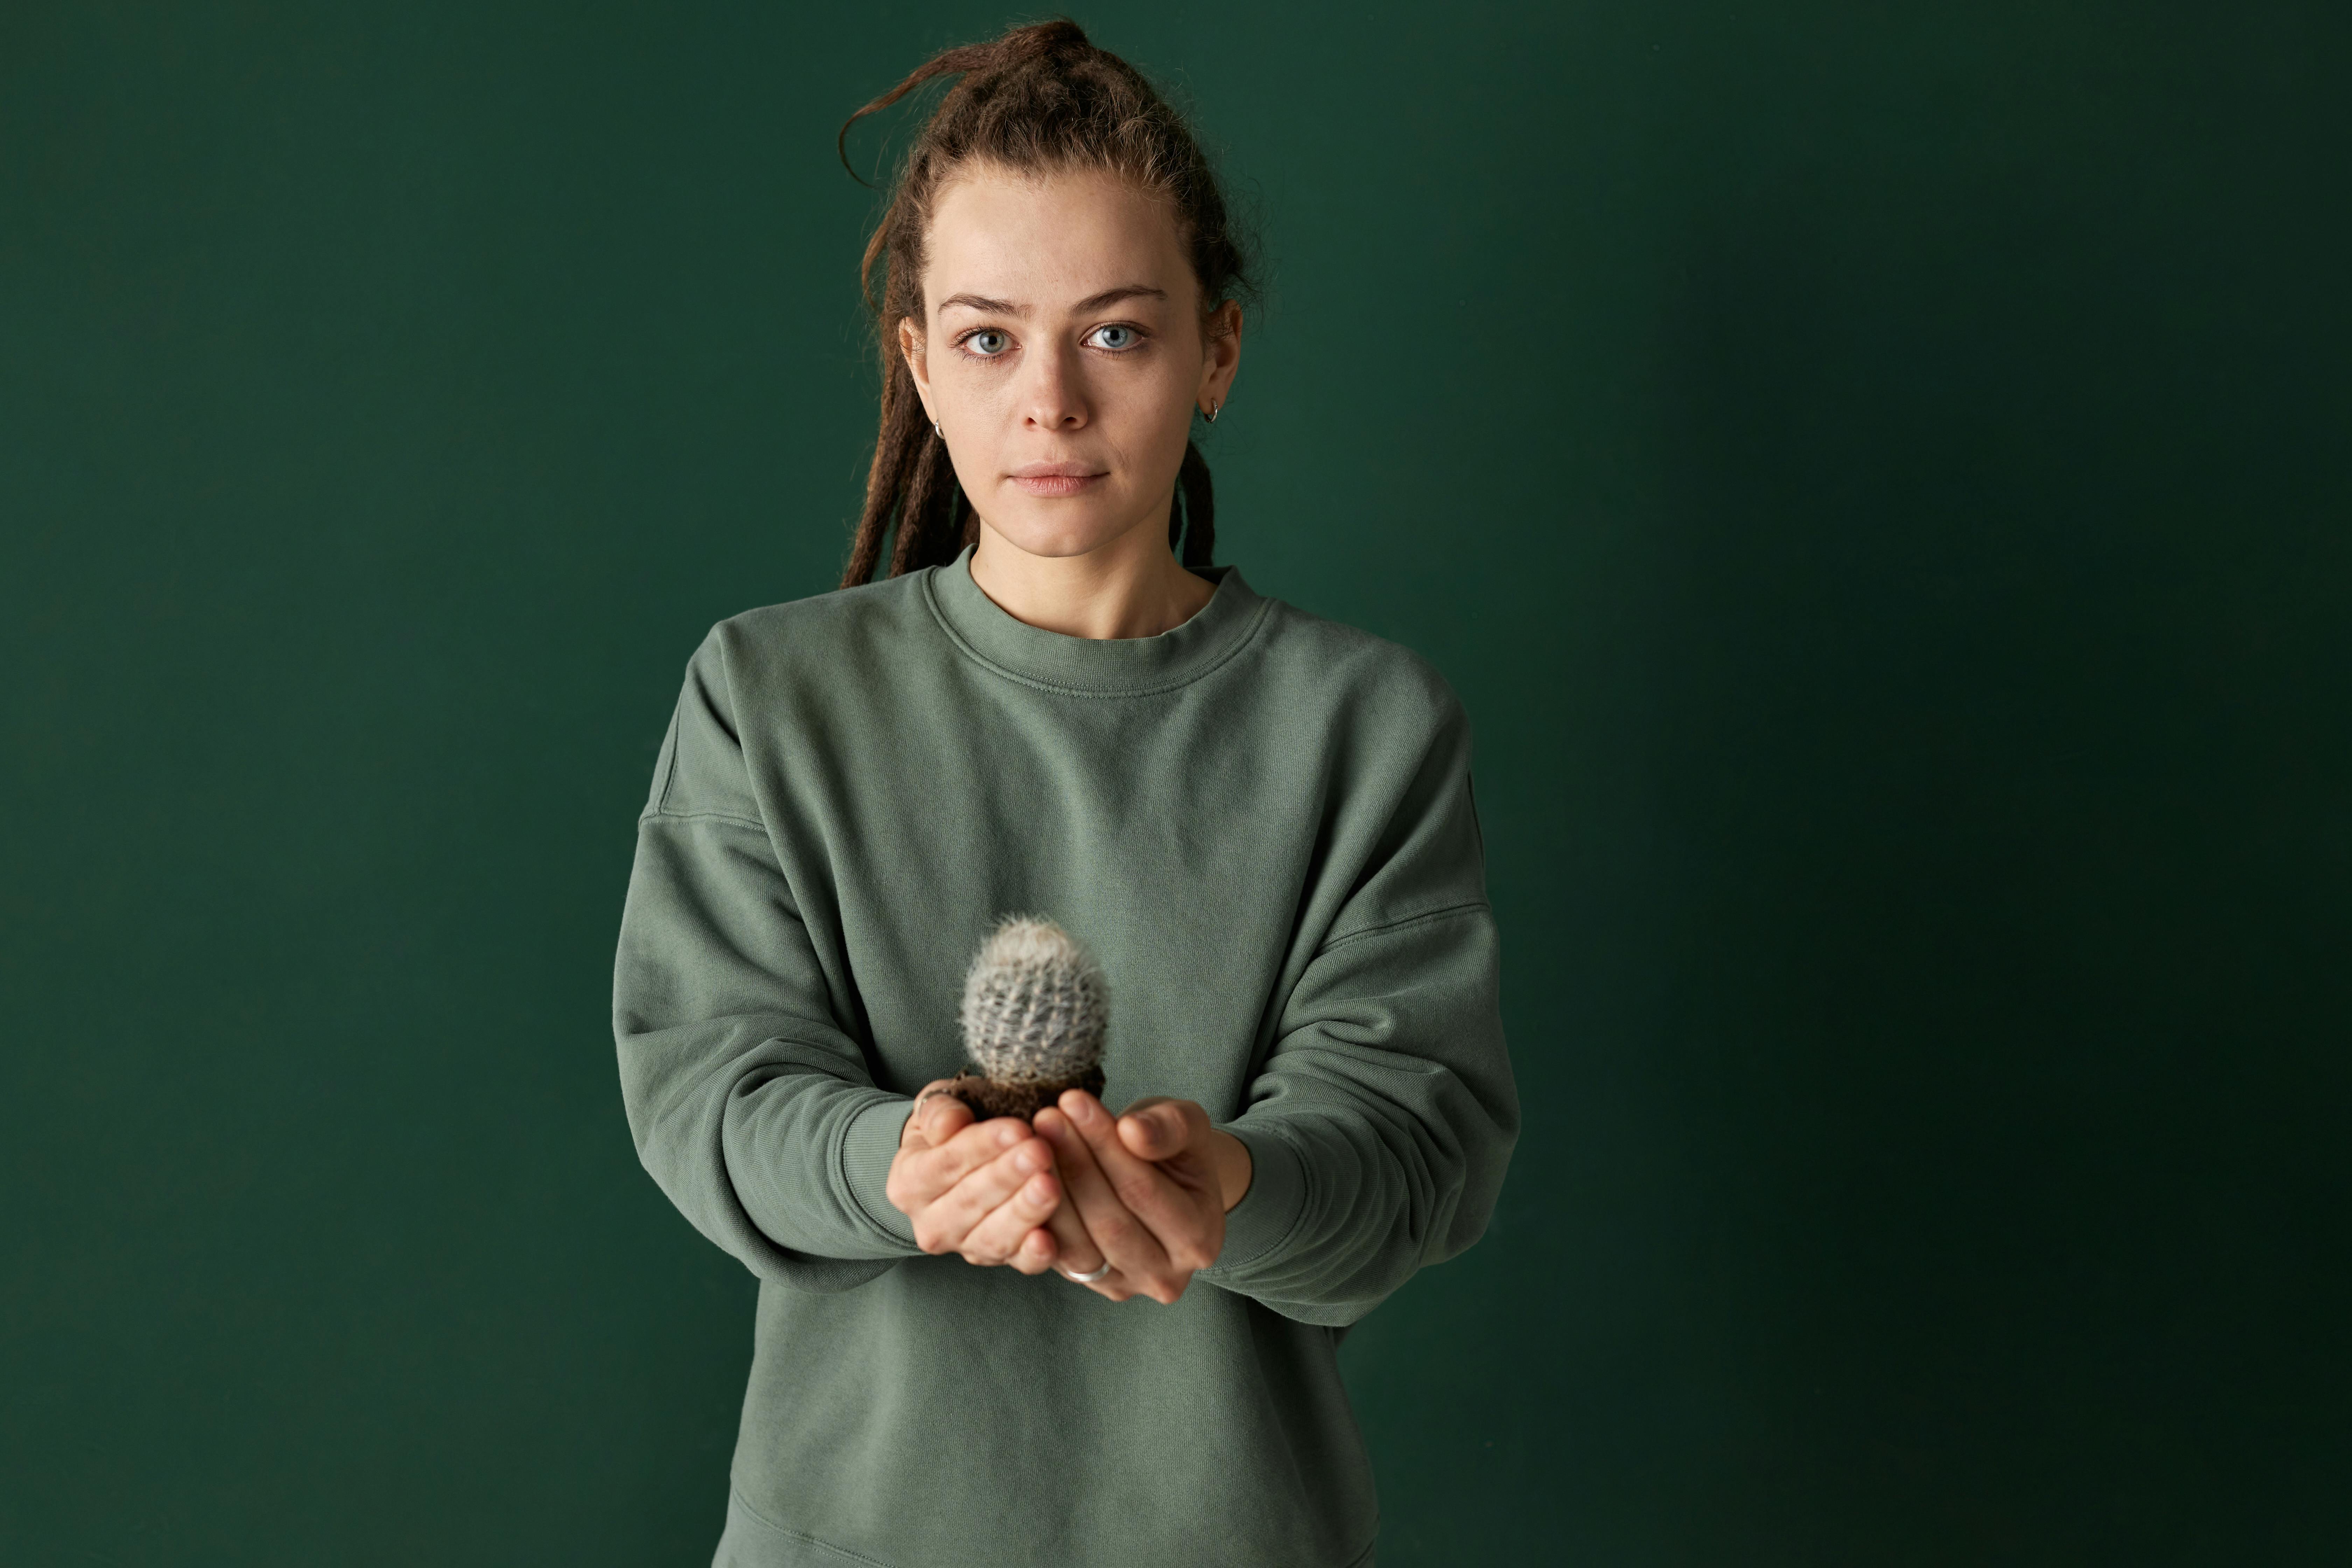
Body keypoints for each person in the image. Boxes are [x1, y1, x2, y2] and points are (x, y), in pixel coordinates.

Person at [612, 21, 1518, 1568]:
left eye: (1115, 333)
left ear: (1215, 351)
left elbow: (1412, 1142)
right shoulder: (767, 697)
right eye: (985, 338)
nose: (1049, 400)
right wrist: (901, 1168)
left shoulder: (1364, 726)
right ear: (915, 361)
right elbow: (708, 1083)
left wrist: (1232, 1183)